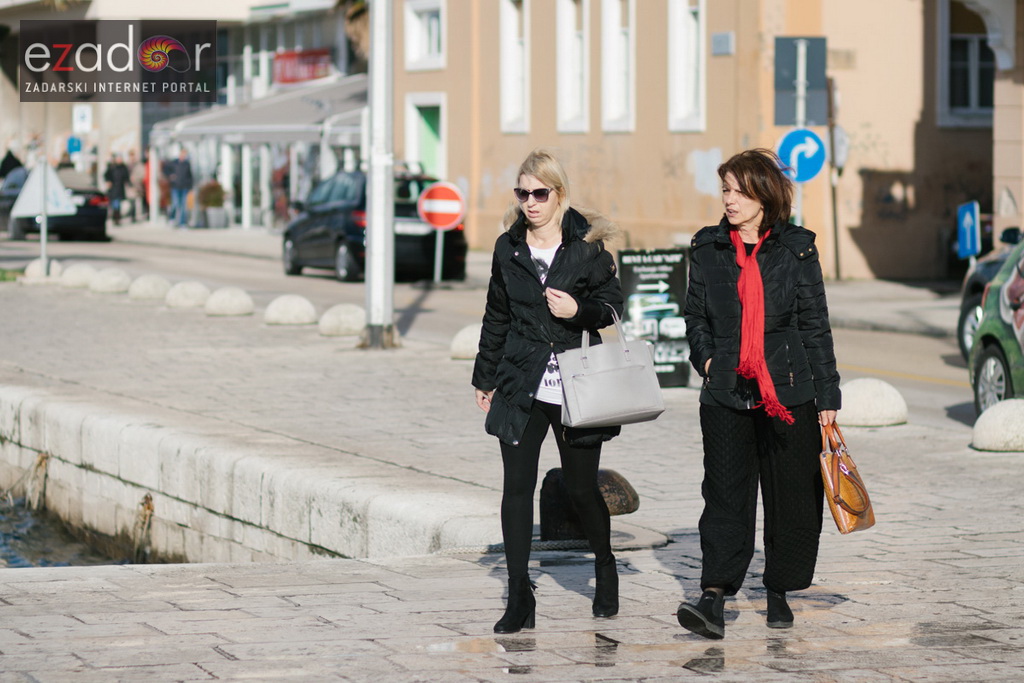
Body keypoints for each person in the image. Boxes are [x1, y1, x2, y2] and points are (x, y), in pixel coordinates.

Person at [677, 148, 841, 639]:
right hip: (726, 392)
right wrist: (706, 360)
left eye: (738, 190)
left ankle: (777, 588)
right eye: (724, 189)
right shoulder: (708, 249)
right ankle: (714, 595)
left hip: (789, 391)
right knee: (725, 496)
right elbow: (695, 317)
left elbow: (815, 325)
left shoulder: (796, 249)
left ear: (763, 194)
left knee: (792, 497)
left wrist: (829, 396)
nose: (729, 199)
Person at [472, 149, 624, 634]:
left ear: (559, 195)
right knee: (516, 487)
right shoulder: (507, 248)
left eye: (540, 193)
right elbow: (496, 314)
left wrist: (577, 310)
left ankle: (604, 562)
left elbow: (612, 310)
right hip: (520, 380)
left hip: (575, 383)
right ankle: (520, 595)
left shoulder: (588, 249)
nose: (531, 202)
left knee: (580, 486)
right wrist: (484, 376)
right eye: (523, 193)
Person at [166, 149, 193, 228]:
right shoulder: (174, 163)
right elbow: (166, 170)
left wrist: (190, 187)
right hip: (175, 187)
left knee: (183, 206)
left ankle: (182, 223)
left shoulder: (187, 164)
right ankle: (172, 218)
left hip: (184, 187)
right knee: (175, 204)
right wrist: (170, 176)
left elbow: (190, 176)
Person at [103, 153, 130, 226]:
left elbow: (126, 177)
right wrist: (108, 182)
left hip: (120, 188)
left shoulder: (123, 167)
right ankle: (116, 218)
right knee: (115, 204)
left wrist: (127, 183)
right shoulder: (112, 167)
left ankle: (117, 218)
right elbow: (106, 175)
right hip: (113, 188)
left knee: (118, 204)